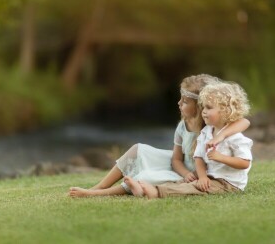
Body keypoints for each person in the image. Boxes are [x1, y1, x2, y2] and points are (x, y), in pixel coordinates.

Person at [68, 74, 250, 198]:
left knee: (147, 175)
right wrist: (185, 172)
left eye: (185, 101)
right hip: (182, 168)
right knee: (138, 149)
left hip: (196, 173)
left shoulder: (209, 125)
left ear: (199, 105)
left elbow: (244, 122)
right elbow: (176, 159)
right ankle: (99, 186)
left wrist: (219, 137)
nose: (179, 104)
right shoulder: (183, 126)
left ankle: (98, 194)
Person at [135, 81, 253, 199]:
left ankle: (156, 193)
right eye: (203, 107)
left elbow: (244, 163)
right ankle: (144, 190)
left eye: (209, 107)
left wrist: (221, 158)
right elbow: (199, 157)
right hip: (210, 177)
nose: (204, 111)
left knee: (192, 188)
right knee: (183, 183)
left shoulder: (235, 137)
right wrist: (202, 177)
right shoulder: (206, 132)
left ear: (225, 111)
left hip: (228, 183)